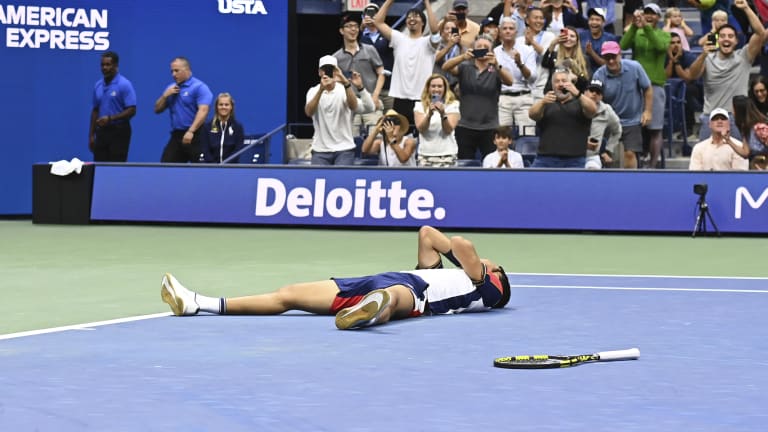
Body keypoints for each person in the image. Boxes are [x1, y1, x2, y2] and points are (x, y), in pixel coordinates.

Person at [160, 225, 512, 331]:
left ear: (496, 275)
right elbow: (426, 233)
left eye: (492, 264)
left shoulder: (487, 290)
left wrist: (478, 265)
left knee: (392, 297)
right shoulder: (455, 274)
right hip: (380, 279)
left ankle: (371, 313)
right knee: (289, 294)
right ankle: (197, 303)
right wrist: (453, 261)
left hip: (416, 294)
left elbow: (462, 244)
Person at [689, 0, 766, 141]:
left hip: (737, 118)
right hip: (710, 117)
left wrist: (746, 8)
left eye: (731, 36)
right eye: (723, 36)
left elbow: (761, 34)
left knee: (738, 155)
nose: (726, 39)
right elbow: (691, 76)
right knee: (706, 155)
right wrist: (703, 55)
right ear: (717, 40)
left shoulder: (744, 56)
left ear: (736, 41)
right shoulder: (708, 58)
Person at [443, 34, 514, 159]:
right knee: (464, 163)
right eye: (479, 46)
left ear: (491, 50)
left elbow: (510, 81)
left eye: (485, 47)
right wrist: (463, 57)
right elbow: (446, 67)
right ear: (473, 49)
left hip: (489, 126)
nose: (482, 48)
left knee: (491, 163)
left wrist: (497, 65)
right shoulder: (465, 67)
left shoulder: (496, 69)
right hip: (465, 125)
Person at [374, 0, 439, 127]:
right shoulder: (398, 38)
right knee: (397, 135)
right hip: (399, 98)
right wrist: (389, 1)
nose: (411, 19)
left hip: (421, 98)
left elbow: (435, 31)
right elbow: (378, 22)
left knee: (421, 134)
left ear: (423, 22)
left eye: (416, 16)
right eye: (409, 17)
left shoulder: (428, 42)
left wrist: (426, 3)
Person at [621, 3, 670, 169]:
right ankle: (637, 163)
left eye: (653, 14)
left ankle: (653, 165)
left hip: (655, 85)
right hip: (635, 85)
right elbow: (622, 46)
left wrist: (646, 28)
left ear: (659, 17)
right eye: (646, 13)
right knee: (635, 127)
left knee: (655, 128)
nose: (649, 16)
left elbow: (660, 46)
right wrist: (634, 27)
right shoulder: (637, 33)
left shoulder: (664, 35)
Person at [592, 41, 653, 169]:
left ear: (620, 55)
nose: (611, 61)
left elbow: (647, 88)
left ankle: (631, 179)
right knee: (604, 156)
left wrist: (647, 111)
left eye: (613, 57)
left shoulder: (635, 67)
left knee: (630, 154)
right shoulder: (599, 74)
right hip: (608, 120)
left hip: (632, 119)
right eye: (607, 58)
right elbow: (594, 97)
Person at [305, 55, 374, 166]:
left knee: (342, 177)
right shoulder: (313, 91)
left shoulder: (344, 90)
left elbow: (358, 107)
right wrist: (321, 90)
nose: (327, 73)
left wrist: (349, 84)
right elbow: (309, 112)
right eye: (324, 69)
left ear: (336, 71)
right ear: (319, 72)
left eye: (331, 69)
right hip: (320, 150)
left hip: (344, 149)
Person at [528, 67, 597, 168]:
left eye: (564, 81)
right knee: (530, 177)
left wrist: (578, 94)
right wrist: (542, 102)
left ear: (571, 83)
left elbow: (593, 110)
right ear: (552, 86)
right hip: (545, 159)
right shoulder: (546, 103)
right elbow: (532, 115)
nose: (560, 84)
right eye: (557, 81)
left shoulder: (580, 103)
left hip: (574, 160)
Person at [333, 12, 385, 135]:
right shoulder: (336, 57)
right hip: (350, 104)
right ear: (341, 31)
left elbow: (381, 73)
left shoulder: (369, 49)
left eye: (356, 26)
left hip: (371, 99)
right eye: (349, 26)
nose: (353, 29)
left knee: (376, 139)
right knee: (349, 139)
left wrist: (376, 96)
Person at [154, 57, 213, 163]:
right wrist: (165, 96)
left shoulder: (199, 87)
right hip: (177, 135)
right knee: (166, 167)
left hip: (196, 135)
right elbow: (157, 109)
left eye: (176, 71)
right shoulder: (171, 88)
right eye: (172, 71)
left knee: (202, 168)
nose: (173, 74)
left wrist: (191, 131)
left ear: (187, 70)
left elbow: (203, 111)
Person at [89, 51, 137, 162]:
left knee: (116, 166)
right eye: (102, 65)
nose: (104, 68)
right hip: (101, 131)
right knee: (99, 165)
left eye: (108, 65)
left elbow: (132, 110)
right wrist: (91, 135)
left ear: (115, 66)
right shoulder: (98, 85)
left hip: (119, 131)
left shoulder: (124, 84)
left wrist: (110, 118)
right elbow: (95, 110)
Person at [494, 17, 538, 136]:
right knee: (502, 136)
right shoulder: (495, 52)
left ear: (516, 32)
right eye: (505, 28)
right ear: (500, 32)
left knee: (527, 136)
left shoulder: (527, 50)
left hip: (523, 96)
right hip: (503, 98)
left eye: (511, 28)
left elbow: (532, 78)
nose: (508, 31)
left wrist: (520, 64)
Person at [414, 74, 461, 167]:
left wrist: (443, 114)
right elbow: (421, 129)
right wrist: (429, 115)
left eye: (439, 86)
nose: (436, 89)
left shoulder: (453, 105)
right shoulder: (419, 106)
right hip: (425, 155)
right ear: (428, 88)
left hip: (447, 155)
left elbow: (448, 130)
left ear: (445, 88)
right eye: (433, 86)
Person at [361, 3, 395, 112]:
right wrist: (362, 27)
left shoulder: (386, 34)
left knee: (389, 118)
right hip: (368, 88)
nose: (371, 16)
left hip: (387, 87)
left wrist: (380, 23)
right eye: (368, 14)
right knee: (372, 118)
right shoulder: (359, 37)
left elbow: (394, 39)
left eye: (374, 14)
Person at [583, 79, 621, 169]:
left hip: (592, 156)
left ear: (601, 96)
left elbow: (617, 131)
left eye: (598, 92)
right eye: (591, 90)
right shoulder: (574, 105)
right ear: (584, 92)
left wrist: (607, 150)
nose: (594, 94)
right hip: (573, 155)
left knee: (593, 170)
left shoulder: (606, 110)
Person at [200, 93, 245, 163]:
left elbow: (238, 149)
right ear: (216, 107)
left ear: (231, 107)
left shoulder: (238, 127)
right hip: (210, 166)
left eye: (226, 105)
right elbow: (205, 149)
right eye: (221, 104)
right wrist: (214, 165)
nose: (223, 107)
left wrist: (226, 165)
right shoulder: (207, 126)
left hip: (231, 167)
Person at [578, 7, 618, 75]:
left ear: (603, 22)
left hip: (604, 75)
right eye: (591, 19)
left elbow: (609, 64)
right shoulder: (581, 36)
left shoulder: (610, 39)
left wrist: (592, 53)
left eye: (597, 20)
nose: (594, 22)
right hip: (584, 75)